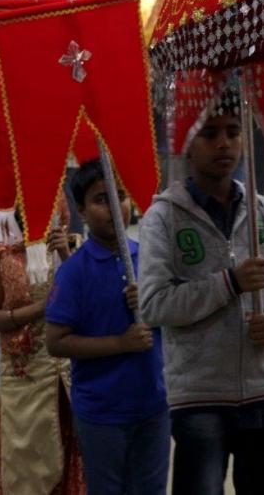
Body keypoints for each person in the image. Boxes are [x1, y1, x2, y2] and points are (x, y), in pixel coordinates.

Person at [139, 94, 264, 495]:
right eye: (210, 133)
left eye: (233, 132)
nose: (224, 144)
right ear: (186, 143)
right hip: (198, 396)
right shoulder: (163, 218)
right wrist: (229, 283)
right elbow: (154, 304)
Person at [45, 158, 170, 495]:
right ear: (82, 211)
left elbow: (178, 320)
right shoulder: (73, 273)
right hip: (101, 411)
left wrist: (155, 307)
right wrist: (120, 343)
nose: (116, 207)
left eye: (121, 196)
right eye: (102, 199)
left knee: (152, 489)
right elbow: (56, 341)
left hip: (154, 403)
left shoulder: (152, 260)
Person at [0, 209, 86, 494]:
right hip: (24, 381)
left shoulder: (74, 248)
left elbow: (91, 301)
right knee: (25, 469)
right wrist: (38, 309)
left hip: (71, 378)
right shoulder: (4, 257)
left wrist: (65, 255)